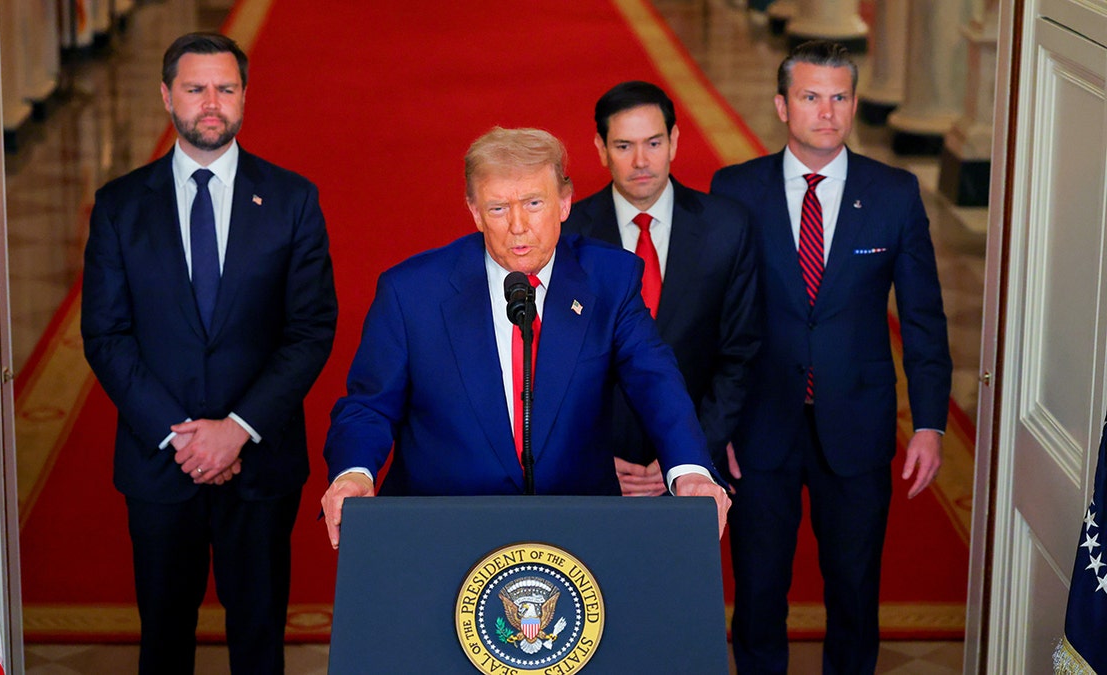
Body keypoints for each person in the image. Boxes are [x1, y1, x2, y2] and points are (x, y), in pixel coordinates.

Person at [320, 127, 730, 547]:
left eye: (534, 204)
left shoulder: (610, 279)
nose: (518, 226)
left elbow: (655, 381)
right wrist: (353, 474)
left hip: (576, 532)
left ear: (565, 203)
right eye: (498, 208)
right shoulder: (411, 292)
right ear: (475, 212)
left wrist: (691, 472)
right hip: (442, 532)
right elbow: (369, 407)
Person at [81, 32, 338, 674]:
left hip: (261, 463)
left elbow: (309, 329)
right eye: (196, 89)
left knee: (259, 638)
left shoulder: (292, 199)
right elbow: (106, 335)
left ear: (245, 96)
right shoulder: (118, 207)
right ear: (168, 96)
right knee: (164, 638)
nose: (212, 104)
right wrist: (188, 441)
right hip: (160, 464)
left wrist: (236, 431)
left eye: (226, 88)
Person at [711, 41, 951, 674]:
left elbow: (924, 318)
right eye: (811, 97)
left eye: (839, 97)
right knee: (759, 593)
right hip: (760, 429)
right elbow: (718, 321)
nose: (827, 111)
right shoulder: (734, 191)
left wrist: (928, 423)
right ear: (782, 107)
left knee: (854, 591)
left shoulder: (895, 194)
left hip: (858, 426)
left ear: (852, 104)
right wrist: (717, 427)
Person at [564, 81, 759, 496]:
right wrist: (590, 457)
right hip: (597, 468)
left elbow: (738, 356)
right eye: (623, 146)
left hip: (694, 469)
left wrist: (689, 458)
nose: (640, 161)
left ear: (674, 141)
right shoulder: (567, 237)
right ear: (600, 148)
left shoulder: (728, 227)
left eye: (653, 143)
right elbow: (551, 363)